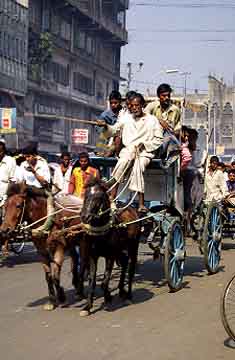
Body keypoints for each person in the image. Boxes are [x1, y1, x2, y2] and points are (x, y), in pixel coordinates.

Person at [97, 93, 163, 212]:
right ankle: (112, 193)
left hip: (144, 153)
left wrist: (145, 144)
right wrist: (105, 126)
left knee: (138, 166)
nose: (134, 108)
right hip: (128, 150)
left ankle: (141, 203)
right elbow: (114, 130)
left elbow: (158, 140)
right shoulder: (126, 118)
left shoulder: (152, 120)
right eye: (131, 106)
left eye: (137, 105)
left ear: (142, 105)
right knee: (123, 160)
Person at [98, 90, 123, 156]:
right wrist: (104, 126)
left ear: (120, 102)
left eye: (115, 103)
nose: (113, 105)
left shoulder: (125, 112)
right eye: (111, 103)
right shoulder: (105, 115)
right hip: (108, 138)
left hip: (122, 137)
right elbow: (99, 130)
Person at [0, 139, 16, 206]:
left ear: (4, 151)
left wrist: (6, 197)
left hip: (5, 197)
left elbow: (12, 181)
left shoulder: (10, 161)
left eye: (0, 151)